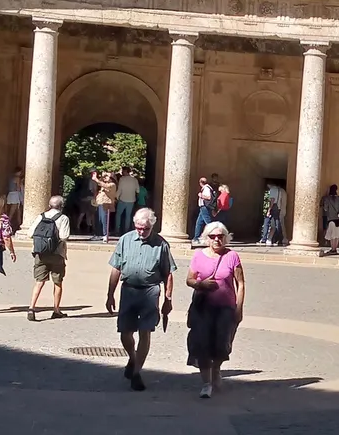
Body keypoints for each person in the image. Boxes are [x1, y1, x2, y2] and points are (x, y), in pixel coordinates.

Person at [106, 207, 176, 393]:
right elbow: (116, 268)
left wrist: (168, 299)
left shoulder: (161, 244)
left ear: (152, 225)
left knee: (145, 331)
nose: (141, 231)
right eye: (138, 227)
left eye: (145, 228)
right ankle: (132, 356)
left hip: (150, 291)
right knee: (125, 332)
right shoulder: (125, 240)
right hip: (128, 290)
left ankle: (137, 372)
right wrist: (110, 294)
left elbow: (168, 273)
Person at [186, 221, 245, 399]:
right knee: (202, 343)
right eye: (213, 236)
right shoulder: (198, 256)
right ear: (207, 238)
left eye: (220, 236)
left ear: (226, 238)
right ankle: (206, 383)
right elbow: (189, 279)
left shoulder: (232, 256)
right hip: (202, 307)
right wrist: (200, 284)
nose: (217, 240)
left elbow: (240, 283)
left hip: (225, 307)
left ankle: (217, 368)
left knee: (223, 343)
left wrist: (239, 308)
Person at [26, 194, 71, 321]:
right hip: (57, 254)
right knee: (58, 282)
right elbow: (64, 236)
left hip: (40, 253)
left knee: (39, 282)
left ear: (49, 205)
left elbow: (30, 233)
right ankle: (56, 309)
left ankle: (31, 307)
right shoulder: (63, 218)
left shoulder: (41, 216)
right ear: (61, 206)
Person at [320, 184, 339, 256]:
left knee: (332, 235)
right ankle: (335, 249)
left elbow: (325, 208)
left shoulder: (327, 199)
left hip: (330, 218)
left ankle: (332, 249)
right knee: (337, 235)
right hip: (338, 219)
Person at [115, 166, 140, 236]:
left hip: (122, 199)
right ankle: (126, 230)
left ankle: (117, 229)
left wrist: (116, 197)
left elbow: (119, 189)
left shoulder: (122, 179)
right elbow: (138, 190)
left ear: (125, 171)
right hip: (131, 200)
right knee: (128, 216)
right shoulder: (134, 180)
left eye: (122, 171)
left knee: (118, 215)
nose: (122, 172)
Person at [94, 171, 117, 243]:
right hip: (101, 203)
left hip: (107, 204)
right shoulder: (104, 184)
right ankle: (99, 234)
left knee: (104, 220)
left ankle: (105, 235)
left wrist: (96, 179)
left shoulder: (112, 185)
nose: (105, 178)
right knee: (99, 219)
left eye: (107, 176)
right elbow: (102, 182)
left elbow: (105, 186)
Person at [193, 176, 214, 243]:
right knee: (199, 223)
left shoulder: (206, 188)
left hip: (204, 207)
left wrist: (201, 195)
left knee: (208, 223)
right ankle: (196, 238)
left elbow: (208, 197)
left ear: (200, 183)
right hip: (202, 208)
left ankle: (214, 235)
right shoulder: (207, 188)